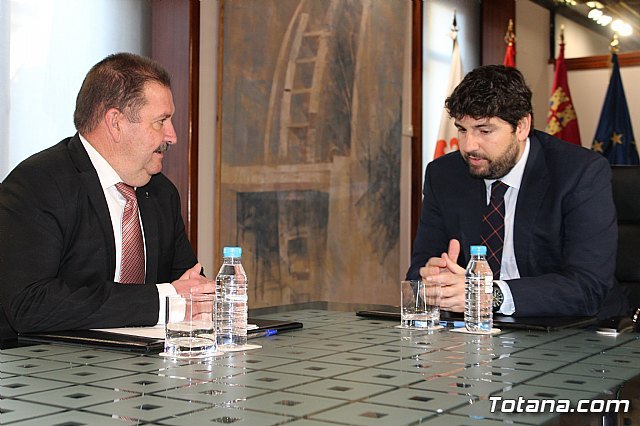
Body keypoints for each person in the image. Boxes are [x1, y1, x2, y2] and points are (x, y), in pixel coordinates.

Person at [0, 53, 214, 343]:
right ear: (115, 123)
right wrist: (163, 300)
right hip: (48, 366)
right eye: (161, 121)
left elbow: (188, 285)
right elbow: (30, 304)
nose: (172, 135)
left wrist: (201, 297)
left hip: (145, 366)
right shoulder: (39, 183)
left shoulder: (162, 194)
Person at [407, 64, 628, 319]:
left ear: (522, 127)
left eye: (485, 131)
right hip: (478, 330)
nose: (469, 146)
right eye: (462, 129)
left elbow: (588, 286)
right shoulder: (444, 174)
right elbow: (417, 273)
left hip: (576, 328)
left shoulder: (579, 173)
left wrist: (491, 295)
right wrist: (433, 278)